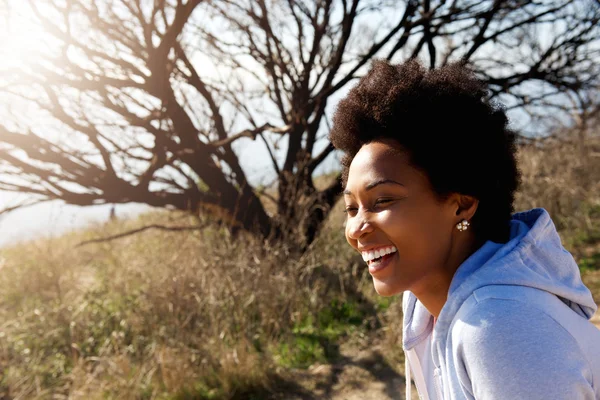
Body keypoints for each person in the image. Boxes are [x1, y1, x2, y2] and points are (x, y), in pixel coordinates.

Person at [329, 59, 600, 400]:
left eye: (382, 200)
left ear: (461, 204)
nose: (357, 228)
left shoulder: (499, 325)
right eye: (351, 208)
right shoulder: (428, 309)